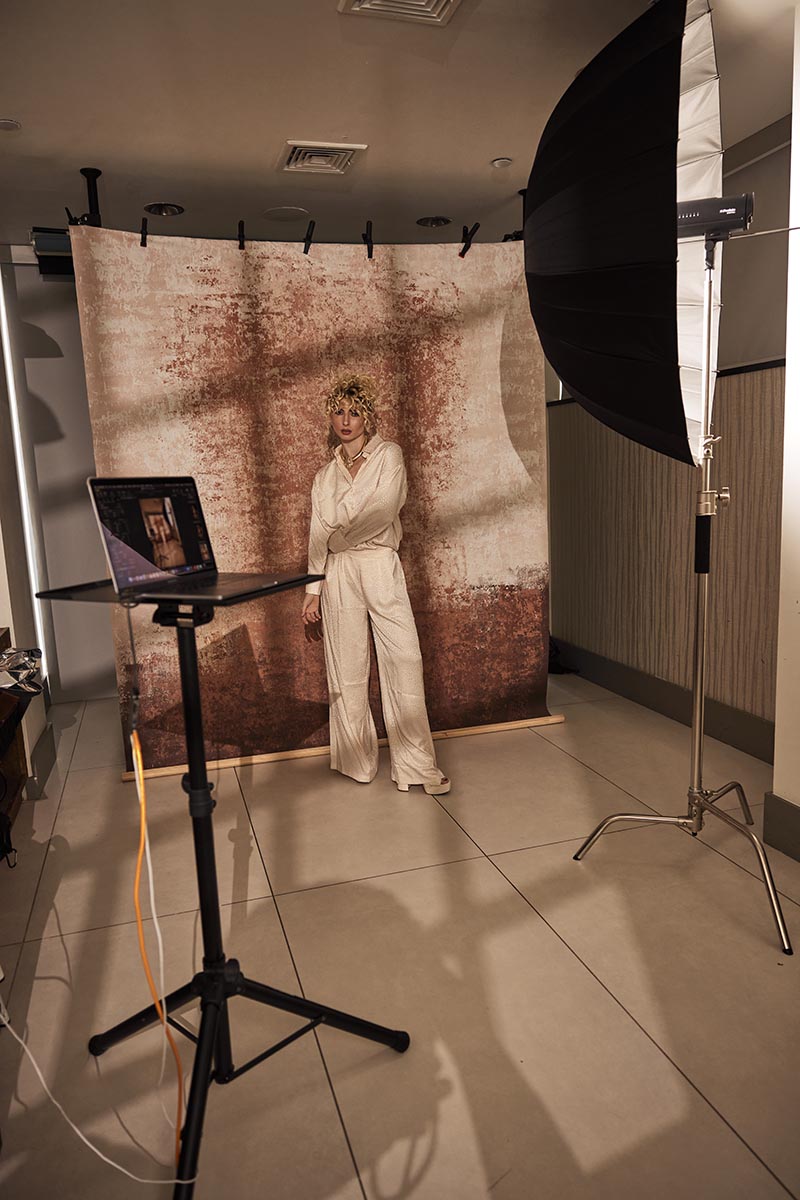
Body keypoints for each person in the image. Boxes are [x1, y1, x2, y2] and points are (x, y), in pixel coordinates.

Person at [301, 375, 450, 795]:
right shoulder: (324, 476)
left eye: (354, 412)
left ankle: (416, 766)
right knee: (347, 668)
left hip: (379, 563)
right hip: (338, 572)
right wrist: (312, 590)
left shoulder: (389, 455)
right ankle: (356, 761)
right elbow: (317, 532)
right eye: (338, 412)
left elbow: (385, 509)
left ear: (367, 416)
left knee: (404, 658)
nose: (346, 420)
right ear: (331, 418)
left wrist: (339, 537)